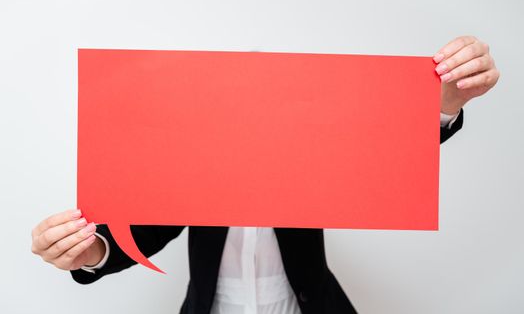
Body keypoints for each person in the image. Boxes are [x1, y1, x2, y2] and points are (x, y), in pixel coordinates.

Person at [31, 36, 499, 314]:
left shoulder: (311, 159)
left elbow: (379, 152)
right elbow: (143, 232)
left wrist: (442, 106)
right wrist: (90, 251)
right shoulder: (191, 172)